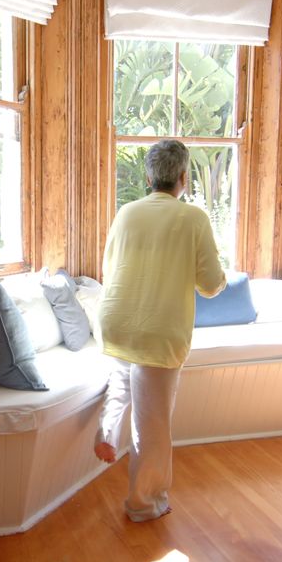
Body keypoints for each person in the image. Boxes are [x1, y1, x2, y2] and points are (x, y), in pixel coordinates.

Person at [94, 139, 226, 522]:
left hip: (116, 322)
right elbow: (210, 284)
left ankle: (107, 429)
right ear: (183, 177)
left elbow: (109, 267)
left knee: (122, 381)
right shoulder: (193, 218)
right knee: (151, 424)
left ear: (149, 177)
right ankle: (145, 504)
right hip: (159, 331)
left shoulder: (127, 212)